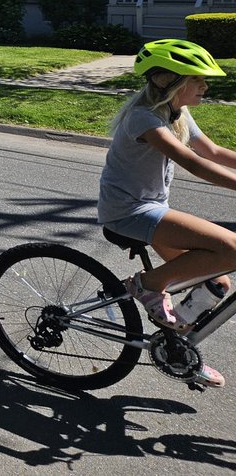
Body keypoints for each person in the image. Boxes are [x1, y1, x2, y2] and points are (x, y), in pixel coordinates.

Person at [98, 40, 236, 388]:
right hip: (128, 212)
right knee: (232, 250)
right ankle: (148, 285)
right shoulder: (143, 117)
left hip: (153, 208)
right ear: (169, 81)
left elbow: (214, 151)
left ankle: (180, 351)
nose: (205, 85)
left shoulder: (177, 113)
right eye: (197, 78)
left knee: (217, 282)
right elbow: (192, 162)